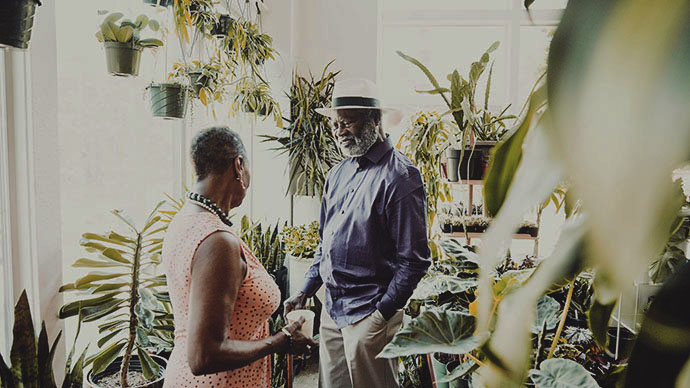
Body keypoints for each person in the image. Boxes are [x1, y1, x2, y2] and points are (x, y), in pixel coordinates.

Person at [284, 79, 432, 388]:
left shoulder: (402, 178)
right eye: (335, 124)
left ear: (374, 120)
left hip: (370, 313)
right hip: (332, 311)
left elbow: (415, 261)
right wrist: (306, 289)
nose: (338, 131)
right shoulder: (338, 173)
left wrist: (380, 315)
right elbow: (326, 244)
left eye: (347, 122)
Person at [162, 127, 317, 388]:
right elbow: (204, 356)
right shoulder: (217, 241)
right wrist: (282, 341)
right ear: (239, 166)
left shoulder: (186, 220)